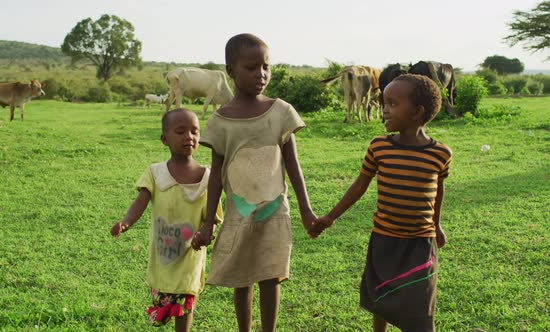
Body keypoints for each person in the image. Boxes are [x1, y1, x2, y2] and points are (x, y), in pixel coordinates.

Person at [190, 33, 319, 332]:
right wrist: (209, 222)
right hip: (239, 212)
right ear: (231, 71)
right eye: (251, 67)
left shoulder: (281, 112)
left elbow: (293, 166)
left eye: (266, 66)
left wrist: (306, 210)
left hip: (275, 210)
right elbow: (216, 177)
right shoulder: (221, 121)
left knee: (271, 275)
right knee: (243, 276)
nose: (261, 74)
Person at [314, 74, 452, 332]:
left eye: (391, 104)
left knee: (421, 308)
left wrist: (437, 224)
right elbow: (359, 185)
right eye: (383, 103)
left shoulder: (439, 154)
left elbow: (437, 191)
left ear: (416, 111)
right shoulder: (379, 147)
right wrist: (330, 217)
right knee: (380, 298)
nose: (383, 110)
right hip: (384, 238)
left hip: (420, 242)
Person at [110, 108, 222, 332]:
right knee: (164, 299)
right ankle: (162, 312)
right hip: (163, 254)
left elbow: (213, 217)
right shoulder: (155, 173)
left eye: (194, 132)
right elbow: (141, 201)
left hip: (191, 252)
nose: (189, 137)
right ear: (164, 139)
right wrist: (126, 222)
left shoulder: (209, 177)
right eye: (180, 131)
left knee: (186, 299)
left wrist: (206, 232)